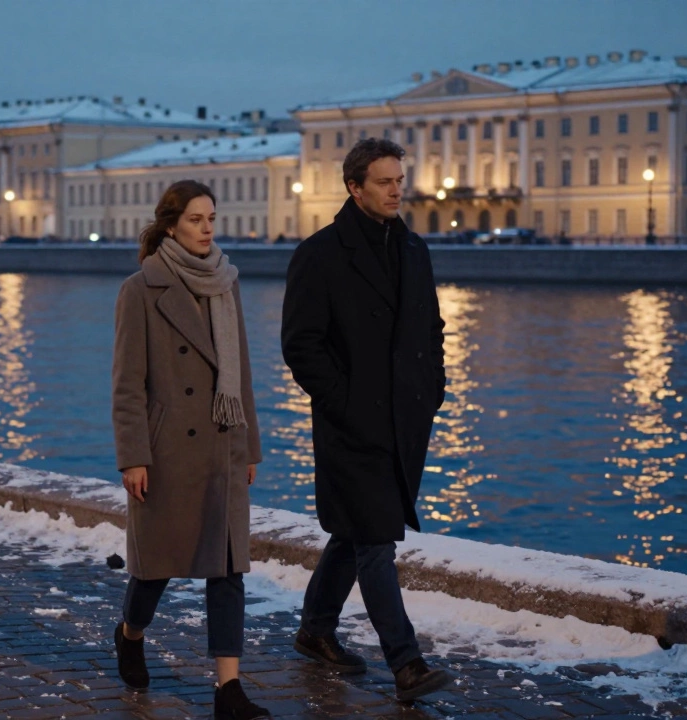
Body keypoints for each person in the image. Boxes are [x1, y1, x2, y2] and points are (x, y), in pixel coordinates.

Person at [281, 138, 451, 702]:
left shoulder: (414, 250)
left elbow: (432, 329)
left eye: (399, 179)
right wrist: (345, 402)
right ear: (354, 187)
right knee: (376, 539)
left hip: (405, 424)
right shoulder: (320, 254)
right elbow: (301, 346)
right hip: (350, 427)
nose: (396, 189)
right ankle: (406, 665)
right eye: (383, 181)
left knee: (355, 533)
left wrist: (434, 391)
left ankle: (314, 630)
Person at [111, 180, 271, 719]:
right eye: (197, 220)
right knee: (155, 569)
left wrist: (249, 443)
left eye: (212, 218)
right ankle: (131, 634)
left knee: (228, 570)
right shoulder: (142, 288)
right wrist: (133, 455)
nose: (208, 229)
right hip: (166, 450)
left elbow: (240, 370)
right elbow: (127, 384)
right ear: (172, 224)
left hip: (222, 443)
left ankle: (229, 689)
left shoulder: (226, 282)